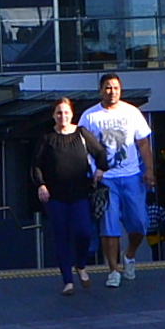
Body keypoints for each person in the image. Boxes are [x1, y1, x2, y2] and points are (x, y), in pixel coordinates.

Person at [80, 72, 155, 287]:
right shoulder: (89, 116)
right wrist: (94, 171)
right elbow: (84, 149)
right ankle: (113, 270)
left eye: (116, 88)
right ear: (100, 89)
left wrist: (148, 169)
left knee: (140, 222)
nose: (112, 92)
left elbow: (143, 144)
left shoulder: (132, 112)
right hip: (106, 179)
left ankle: (129, 254)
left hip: (132, 176)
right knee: (109, 225)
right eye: (108, 87)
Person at [33, 96, 101, 294]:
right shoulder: (46, 138)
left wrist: (101, 170)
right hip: (55, 197)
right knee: (61, 237)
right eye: (59, 113)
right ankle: (68, 281)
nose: (63, 116)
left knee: (84, 232)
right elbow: (36, 165)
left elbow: (100, 153)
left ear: (72, 114)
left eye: (66, 112)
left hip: (80, 193)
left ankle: (80, 264)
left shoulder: (81, 133)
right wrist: (41, 185)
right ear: (53, 115)